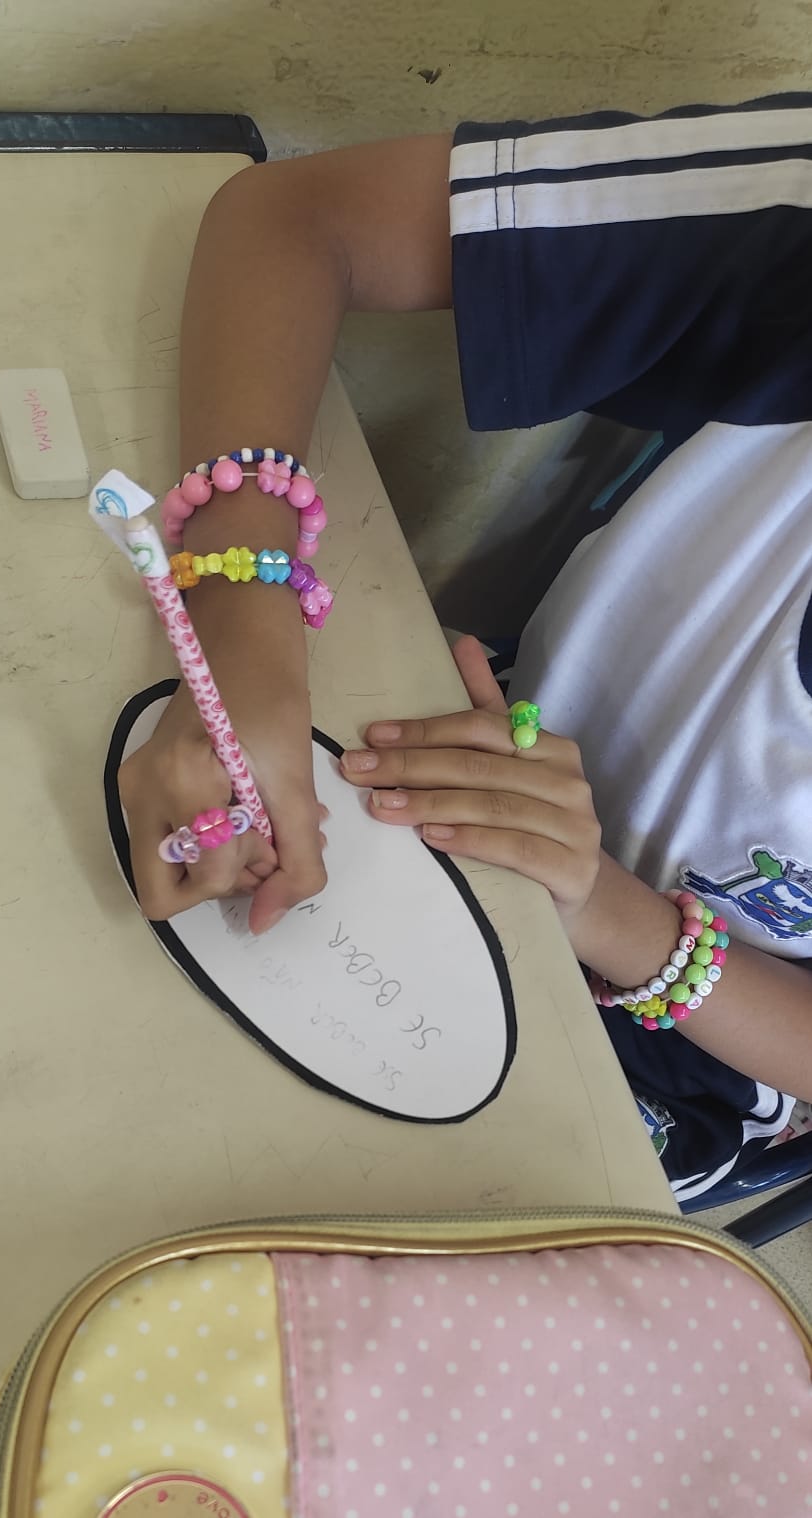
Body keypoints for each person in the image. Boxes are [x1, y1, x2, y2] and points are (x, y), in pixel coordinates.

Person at [119, 95, 812, 1199]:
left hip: (696, 1042)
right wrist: (246, 629)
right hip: (461, 745)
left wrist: (610, 912)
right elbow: (295, 221)